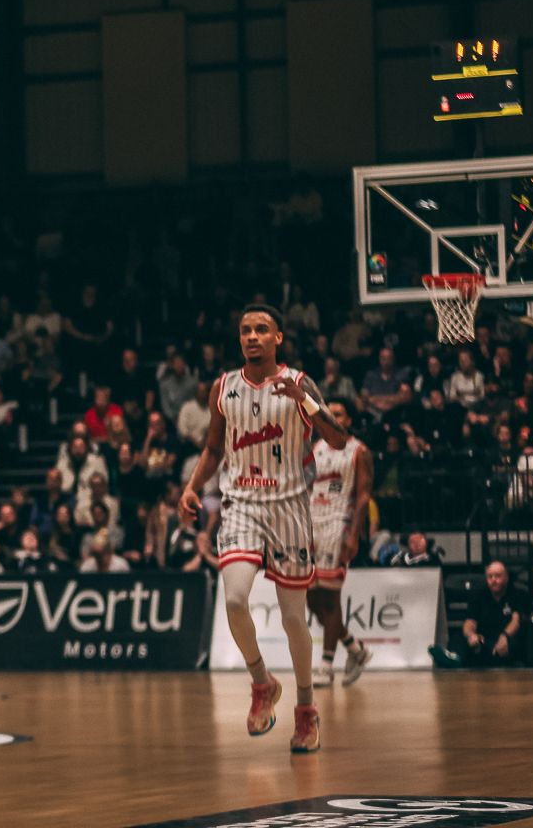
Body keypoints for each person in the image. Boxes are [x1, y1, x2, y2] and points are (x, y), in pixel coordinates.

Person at [180, 304, 349, 756]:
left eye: (261, 330)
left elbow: (337, 440)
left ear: (278, 338)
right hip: (241, 505)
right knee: (234, 597)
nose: (252, 336)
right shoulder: (225, 386)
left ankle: (307, 709)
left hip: (290, 507)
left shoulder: (300, 381)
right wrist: (192, 488)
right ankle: (261, 681)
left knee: (295, 617)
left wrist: (303, 401)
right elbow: (214, 449)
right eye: (245, 330)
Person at [306, 401, 374, 687]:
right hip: (312, 523)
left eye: (339, 414)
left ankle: (325, 664)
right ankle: (355, 649)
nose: (332, 418)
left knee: (331, 598)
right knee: (310, 598)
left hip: (338, 523)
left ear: (348, 419)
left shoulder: (359, 451)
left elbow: (362, 496)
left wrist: (353, 534)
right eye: (329, 414)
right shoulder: (316, 448)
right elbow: (306, 487)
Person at [438, 560, 529, 668]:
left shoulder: (516, 594)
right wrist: (471, 635)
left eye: (497, 576)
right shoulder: (478, 595)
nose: (493, 580)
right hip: (483, 639)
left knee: (517, 643)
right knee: (458, 639)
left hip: (506, 637)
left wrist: (505, 636)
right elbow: (470, 622)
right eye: (490, 577)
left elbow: (516, 621)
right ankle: (454, 660)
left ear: (506, 578)